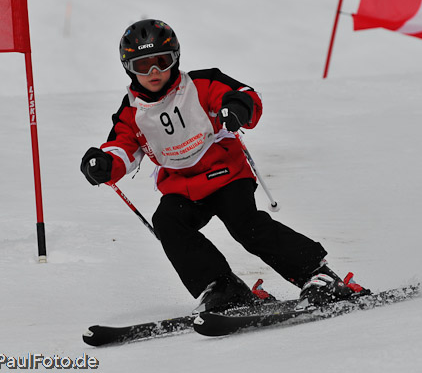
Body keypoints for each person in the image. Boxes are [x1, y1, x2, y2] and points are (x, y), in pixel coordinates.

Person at [80, 19, 368, 312]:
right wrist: (103, 163)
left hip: (227, 174)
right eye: (143, 66)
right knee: (168, 222)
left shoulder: (201, 84)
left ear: (175, 59)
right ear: (129, 67)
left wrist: (238, 108)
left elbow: (245, 95)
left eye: (162, 62)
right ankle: (222, 286)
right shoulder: (131, 111)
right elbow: (121, 148)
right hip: (181, 187)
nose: (154, 72)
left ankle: (316, 274)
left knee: (245, 225)